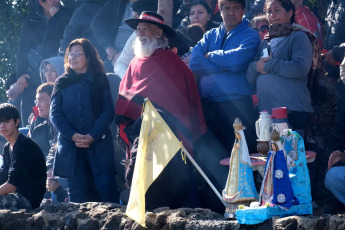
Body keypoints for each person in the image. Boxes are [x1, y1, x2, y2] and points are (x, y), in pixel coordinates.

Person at [115, 11, 207, 208]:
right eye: (138, 30)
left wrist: (161, 116)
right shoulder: (133, 63)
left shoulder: (171, 61)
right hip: (141, 137)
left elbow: (181, 101)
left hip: (172, 137)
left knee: (179, 183)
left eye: (144, 30)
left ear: (158, 34)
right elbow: (125, 96)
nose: (140, 34)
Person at [50, 38, 119, 203]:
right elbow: (55, 114)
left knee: (107, 190)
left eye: (77, 54)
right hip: (71, 146)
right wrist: (73, 135)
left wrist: (92, 136)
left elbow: (108, 111)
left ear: (88, 57)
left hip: (99, 145)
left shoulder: (100, 79)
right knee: (77, 197)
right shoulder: (61, 82)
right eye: (70, 54)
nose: (72, 57)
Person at [189, 0, 260, 153]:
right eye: (226, 8)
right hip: (208, 105)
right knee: (214, 157)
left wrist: (211, 55)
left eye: (236, 8)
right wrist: (222, 66)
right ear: (220, 11)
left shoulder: (251, 35)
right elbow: (194, 62)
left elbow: (235, 62)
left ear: (243, 11)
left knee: (241, 155)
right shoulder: (210, 35)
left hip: (237, 104)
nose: (231, 12)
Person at [246, 0, 315, 138]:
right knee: (271, 157)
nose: (272, 15)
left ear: (290, 12)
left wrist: (271, 64)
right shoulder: (266, 41)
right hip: (267, 114)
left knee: (293, 156)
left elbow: (301, 68)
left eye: (277, 10)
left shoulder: (298, 36)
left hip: (292, 111)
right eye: (269, 12)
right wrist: (256, 67)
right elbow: (250, 75)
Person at [15, 0, 72, 126]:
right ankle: (30, 133)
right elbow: (23, 48)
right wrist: (22, 72)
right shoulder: (31, 20)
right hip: (37, 72)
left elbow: (68, 37)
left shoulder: (67, 14)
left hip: (59, 68)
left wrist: (57, 18)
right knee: (28, 97)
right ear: (41, 2)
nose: (57, 1)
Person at [0, 103, 46, 209]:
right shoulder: (8, 147)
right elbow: (3, 176)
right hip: (15, 194)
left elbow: (12, 185)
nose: (2, 125)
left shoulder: (24, 145)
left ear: (17, 122)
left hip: (27, 199)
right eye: (0, 121)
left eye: (6, 121)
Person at [223, 118, 258, 210]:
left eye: (238, 134)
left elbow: (244, 155)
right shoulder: (237, 144)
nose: (237, 136)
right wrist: (235, 149)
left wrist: (238, 149)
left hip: (242, 167)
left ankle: (245, 199)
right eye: (236, 134)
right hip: (235, 170)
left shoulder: (243, 145)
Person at [91, 0, 137, 69]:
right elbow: (96, 23)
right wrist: (108, 47)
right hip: (112, 54)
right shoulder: (115, 2)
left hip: (136, 54)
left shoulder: (152, 5)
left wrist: (125, 53)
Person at [28, 83, 56, 158]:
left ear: (53, 101)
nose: (37, 105)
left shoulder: (62, 125)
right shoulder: (37, 122)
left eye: (41, 100)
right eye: (37, 101)